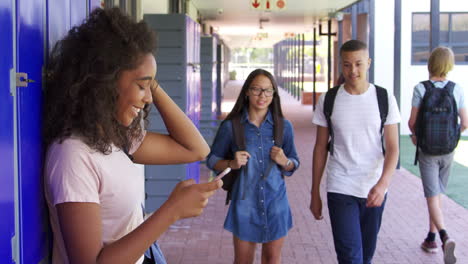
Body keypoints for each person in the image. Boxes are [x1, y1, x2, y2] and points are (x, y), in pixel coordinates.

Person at [43, 8, 222, 264]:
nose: (148, 99)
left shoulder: (116, 137)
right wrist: (172, 211)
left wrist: (148, 78)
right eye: (141, 86)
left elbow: (196, 149)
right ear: (105, 82)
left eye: (150, 87)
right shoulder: (73, 155)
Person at [310, 40, 400, 264]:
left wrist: (383, 184)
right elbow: (320, 147)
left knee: (366, 256)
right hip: (340, 186)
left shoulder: (384, 98)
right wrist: (314, 192)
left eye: (359, 64)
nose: (353, 71)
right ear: (341, 65)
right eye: (347, 65)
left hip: (374, 188)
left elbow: (393, 147)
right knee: (351, 257)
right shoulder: (329, 99)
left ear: (368, 63)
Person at [206, 69, 300, 264]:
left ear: (274, 94)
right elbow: (212, 160)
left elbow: (294, 163)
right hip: (244, 204)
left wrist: (285, 161)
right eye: (256, 89)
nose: (262, 95)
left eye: (267, 91)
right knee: (243, 261)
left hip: (276, 203)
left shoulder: (284, 127)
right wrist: (231, 163)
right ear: (247, 91)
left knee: (272, 259)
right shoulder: (232, 127)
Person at [408, 46, 467, 264]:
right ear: (449, 65)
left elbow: (412, 122)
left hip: (427, 151)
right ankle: (431, 237)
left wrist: (415, 136)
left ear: (430, 63)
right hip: (448, 151)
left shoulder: (421, 89)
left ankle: (444, 236)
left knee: (432, 196)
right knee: (437, 194)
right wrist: (452, 137)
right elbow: (466, 122)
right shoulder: (456, 89)